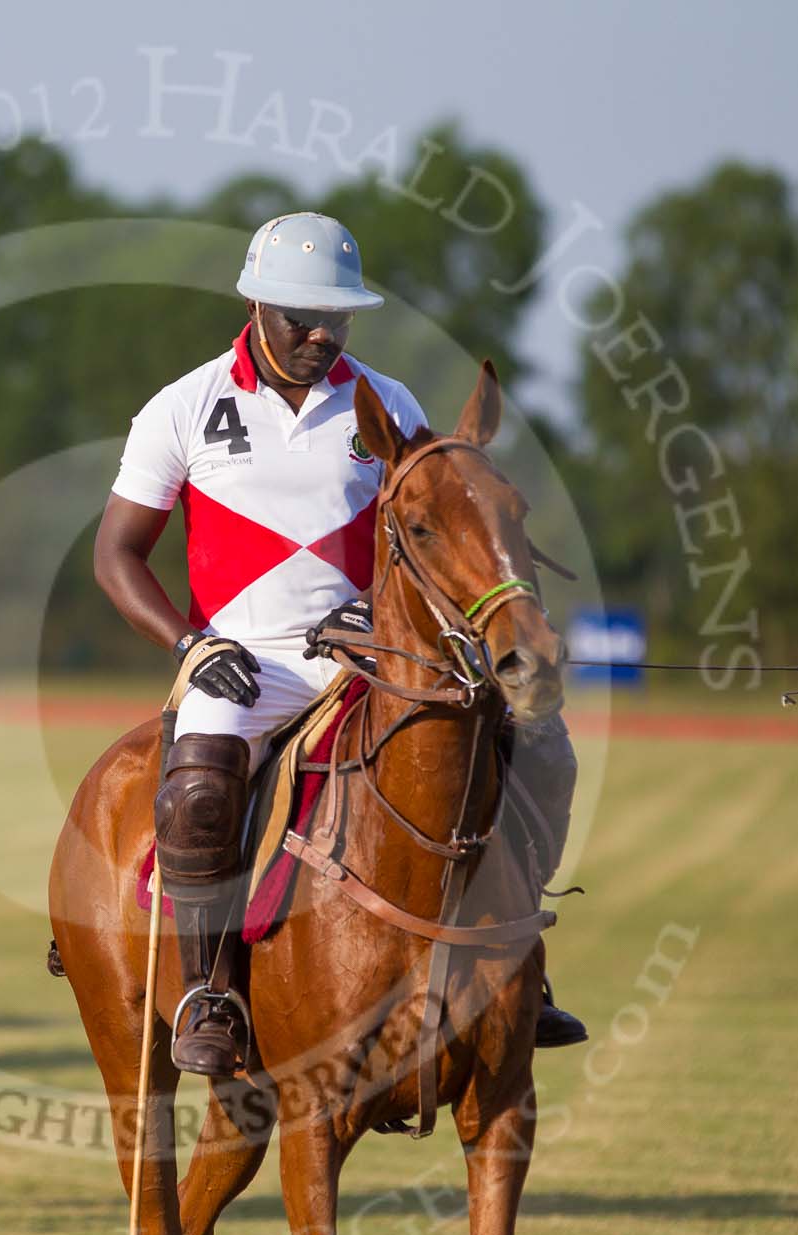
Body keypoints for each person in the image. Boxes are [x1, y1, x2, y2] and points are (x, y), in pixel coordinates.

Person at [93, 212, 586, 1078]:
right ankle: (209, 991)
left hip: (371, 656)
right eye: (304, 318)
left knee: (534, 746)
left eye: (339, 318)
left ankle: (520, 971)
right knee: (200, 785)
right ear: (258, 305)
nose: (324, 334)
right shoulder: (183, 407)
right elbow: (116, 555)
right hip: (242, 662)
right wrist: (187, 642)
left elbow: (432, 526)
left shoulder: (387, 403)